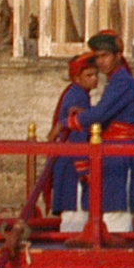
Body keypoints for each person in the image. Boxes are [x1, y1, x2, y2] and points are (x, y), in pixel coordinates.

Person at [74, 30, 134, 235]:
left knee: (116, 210)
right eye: (97, 57)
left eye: (104, 56)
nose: (100, 61)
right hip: (112, 152)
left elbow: (103, 112)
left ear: (118, 56)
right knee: (107, 205)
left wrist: (74, 121)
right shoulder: (117, 81)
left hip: (120, 154)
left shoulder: (122, 82)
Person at [45, 52, 98, 230]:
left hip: (67, 161)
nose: (94, 79)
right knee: (75, 215)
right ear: (77, 78)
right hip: (73, 164)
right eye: (89, 75)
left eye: (95, 74)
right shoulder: (78, 98)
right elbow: (77, 133)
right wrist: (84, 168)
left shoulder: (75, 94)